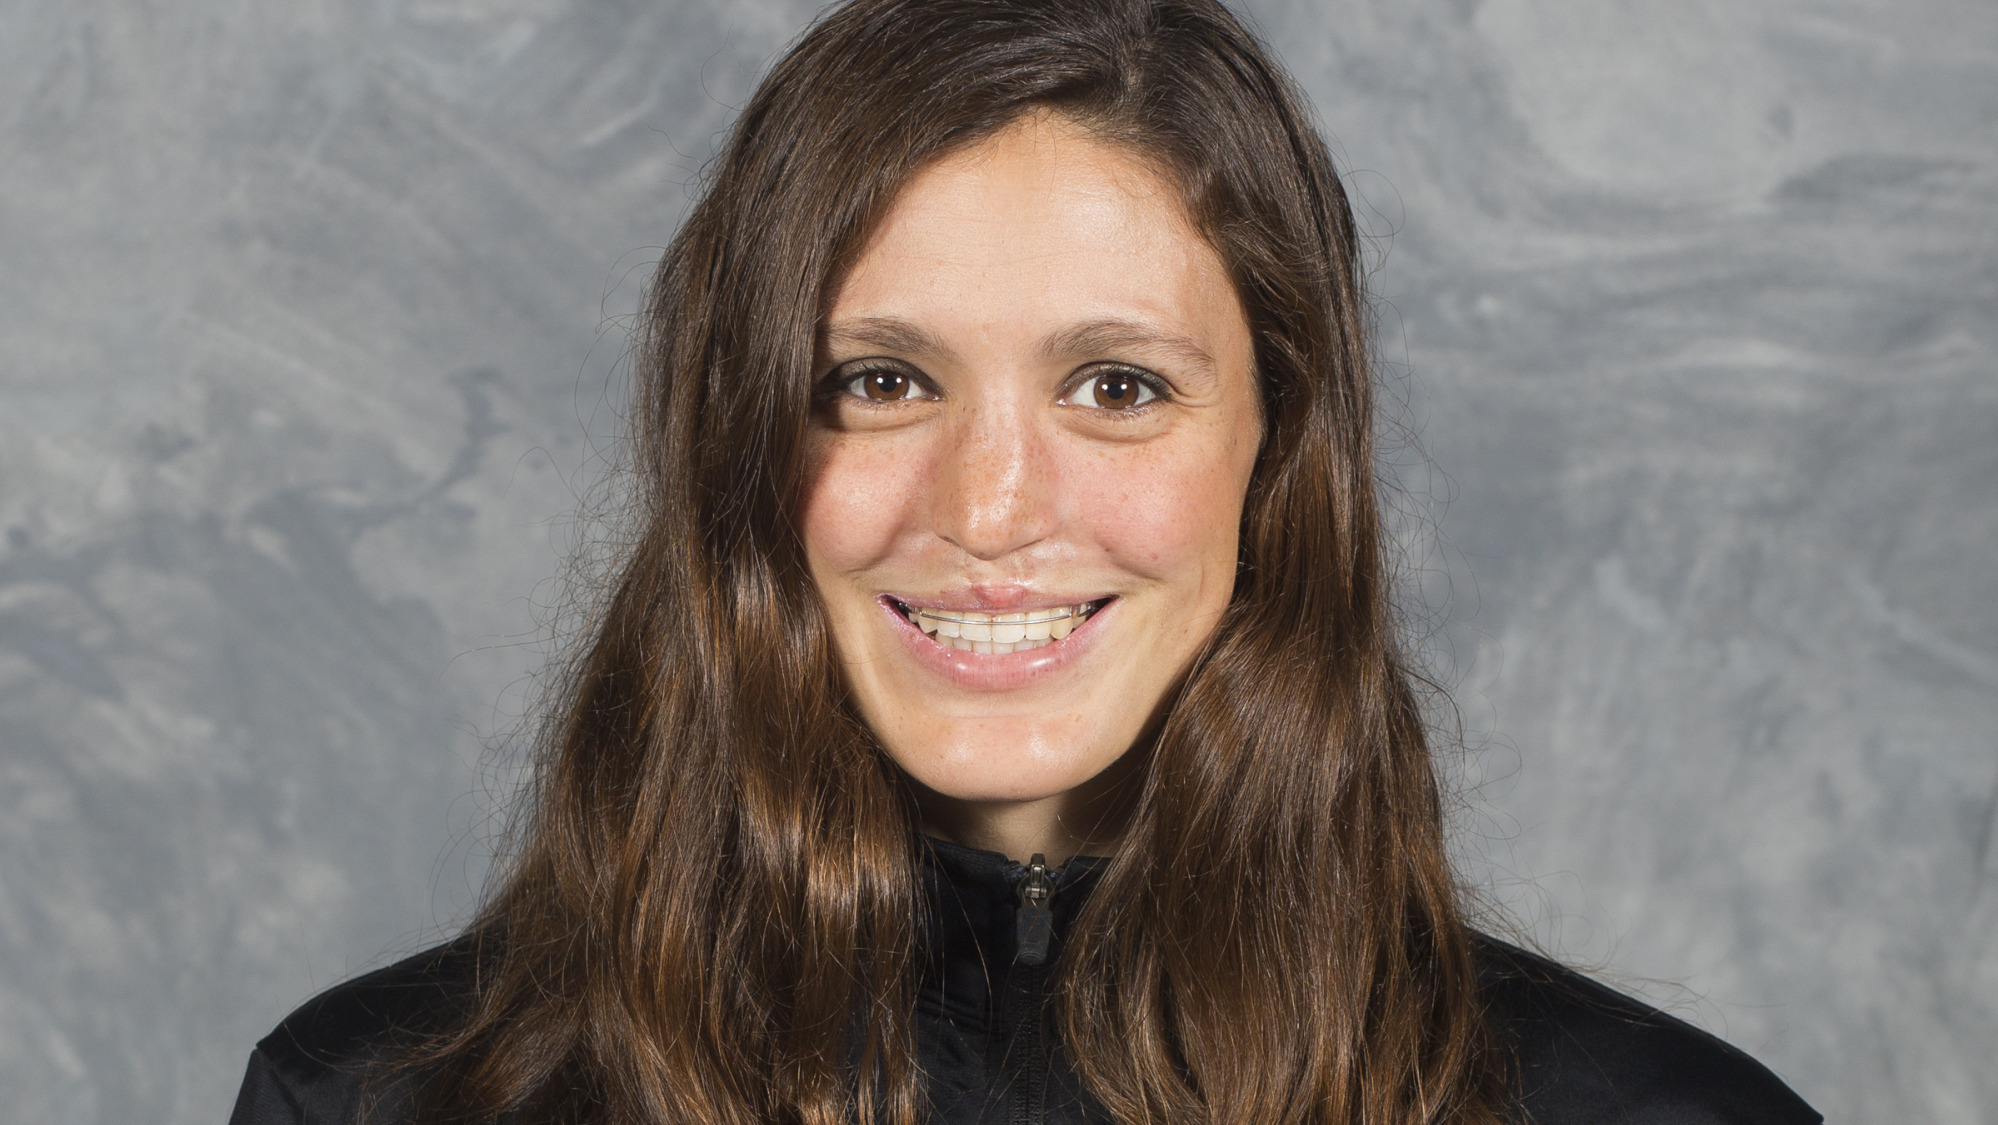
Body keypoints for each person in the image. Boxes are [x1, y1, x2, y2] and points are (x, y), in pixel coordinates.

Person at [227, 1, 1821, 1122]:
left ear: (1280, 453)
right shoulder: (379, 1098)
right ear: (740, 452)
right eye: (879, 380)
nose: (988, 507)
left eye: (1115, 387)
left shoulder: (1656, 1117)